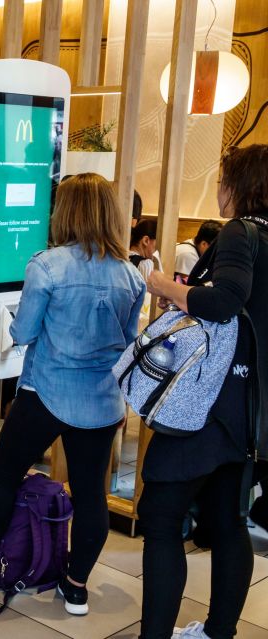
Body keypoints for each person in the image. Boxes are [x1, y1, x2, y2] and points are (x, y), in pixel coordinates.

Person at [0, 174, 145, 617]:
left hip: (44, 394)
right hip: (101, 400)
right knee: (91, 493)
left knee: (4, 475)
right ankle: (75, 587)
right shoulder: (131, 275)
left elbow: (24, 331)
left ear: (65, 211)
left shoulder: (47, 265)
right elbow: (129, 340)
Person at [140, 144, 268, 639]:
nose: (217, 189)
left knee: (163, 519)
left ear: (240, 185)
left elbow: (224, 301)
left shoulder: (242, 232)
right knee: (228, 518)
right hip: (249, 412)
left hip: (206, 403)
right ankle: (218, 632)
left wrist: (164, 287)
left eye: (222, 179)